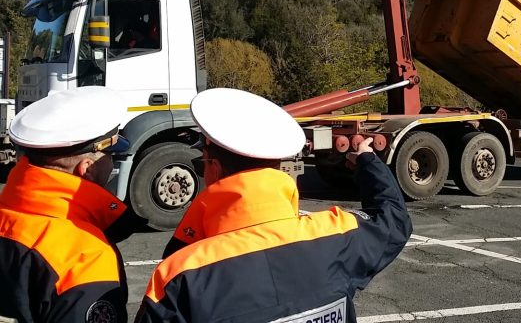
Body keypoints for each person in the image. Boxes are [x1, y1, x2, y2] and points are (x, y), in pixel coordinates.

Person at [135, 88, 412, 323]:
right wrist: (367, 161)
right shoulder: (337, 237)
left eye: (202, 164)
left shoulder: (178, 278)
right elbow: (393, 218)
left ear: (215, 168)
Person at [0, 86, 138, 323]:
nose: (112, 161)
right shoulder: (86, 257)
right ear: (87, 168)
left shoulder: (7, 214)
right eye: (111, 154)